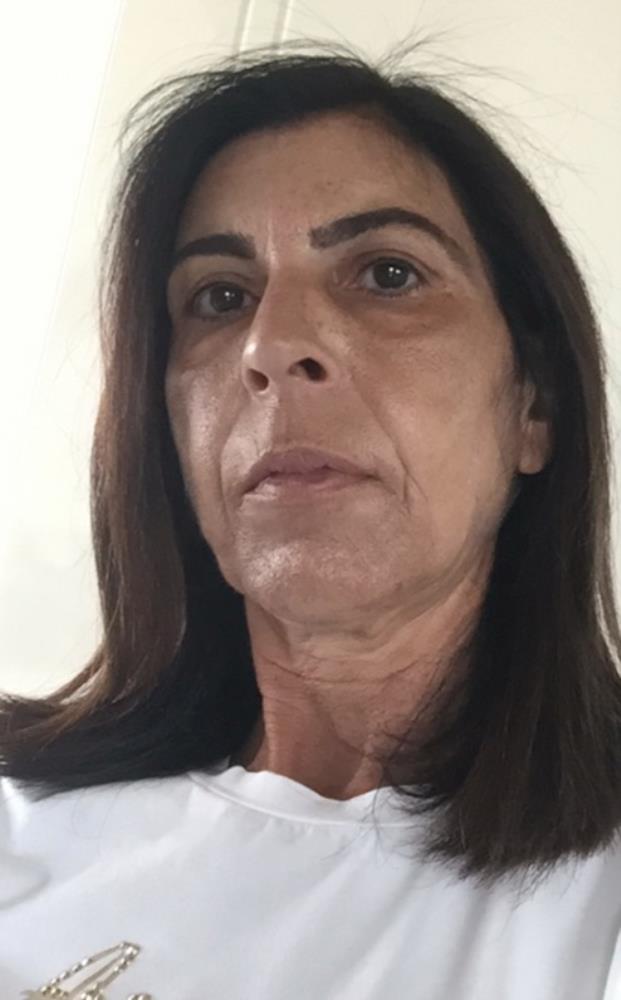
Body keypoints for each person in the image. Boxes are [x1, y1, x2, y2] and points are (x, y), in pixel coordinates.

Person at [1, 38, 621, 1000]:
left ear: (531, 406)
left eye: (387, 275)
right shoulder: (24, 823)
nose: (272, 344)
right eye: (219, 297)